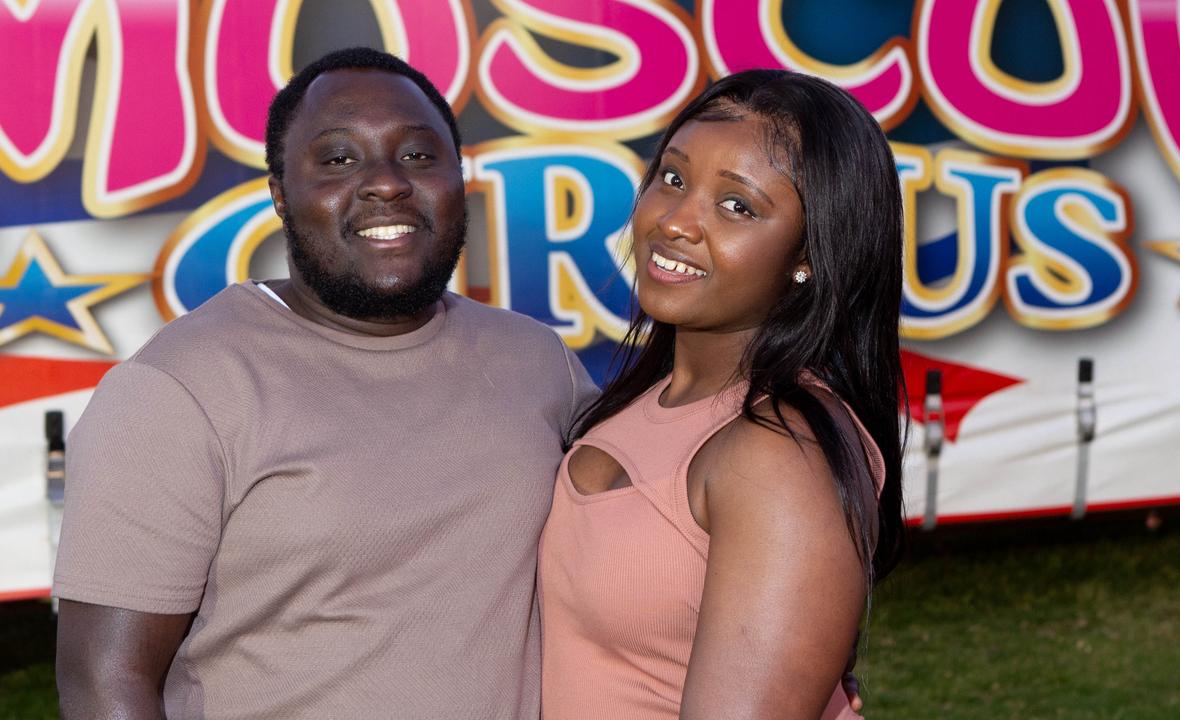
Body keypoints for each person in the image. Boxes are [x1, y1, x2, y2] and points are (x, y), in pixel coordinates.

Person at [53, 47, 593, 720]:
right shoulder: (177, 390)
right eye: (339, 160)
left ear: (461, 177)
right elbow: (106, 684)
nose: (386, 183)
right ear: (280, 192)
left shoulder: (537, 361)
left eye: (419, 156)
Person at [537, 69, 906, 719]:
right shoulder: (642, 398)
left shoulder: (781, 455)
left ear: (809, 255)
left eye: (737, 206)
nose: (676, 222)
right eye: (673, 178)